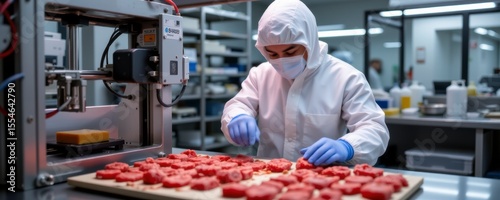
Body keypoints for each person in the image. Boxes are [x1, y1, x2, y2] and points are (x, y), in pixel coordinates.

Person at [220, 0, 389, 166]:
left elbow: (374, 129)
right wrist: (237, 117)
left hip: (323, 181)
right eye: (272, 54)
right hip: (268, 176)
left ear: (310, 42)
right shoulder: (261, 74)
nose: (282, 60)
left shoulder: (346, 77)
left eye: (290, 51)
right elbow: (237, 106)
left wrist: (348, 146)